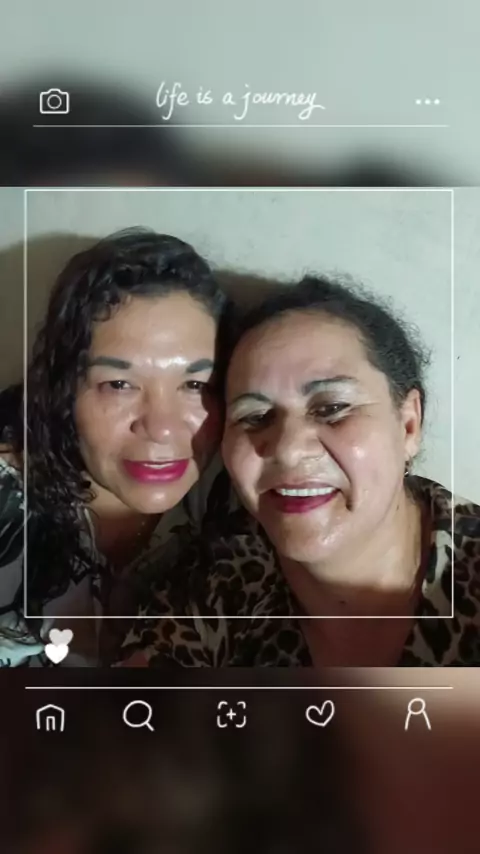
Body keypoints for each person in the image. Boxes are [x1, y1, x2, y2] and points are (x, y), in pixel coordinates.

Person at [119, 276, 480, 667]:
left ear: (408, 424)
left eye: (332, 408)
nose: (288, 450)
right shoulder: (208, 587)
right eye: (256, 416)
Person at [0, 227, 234, 666]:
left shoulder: (242, 508)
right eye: (119, 384)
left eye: (196, 384)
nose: (162, 429)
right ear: (64, 389)